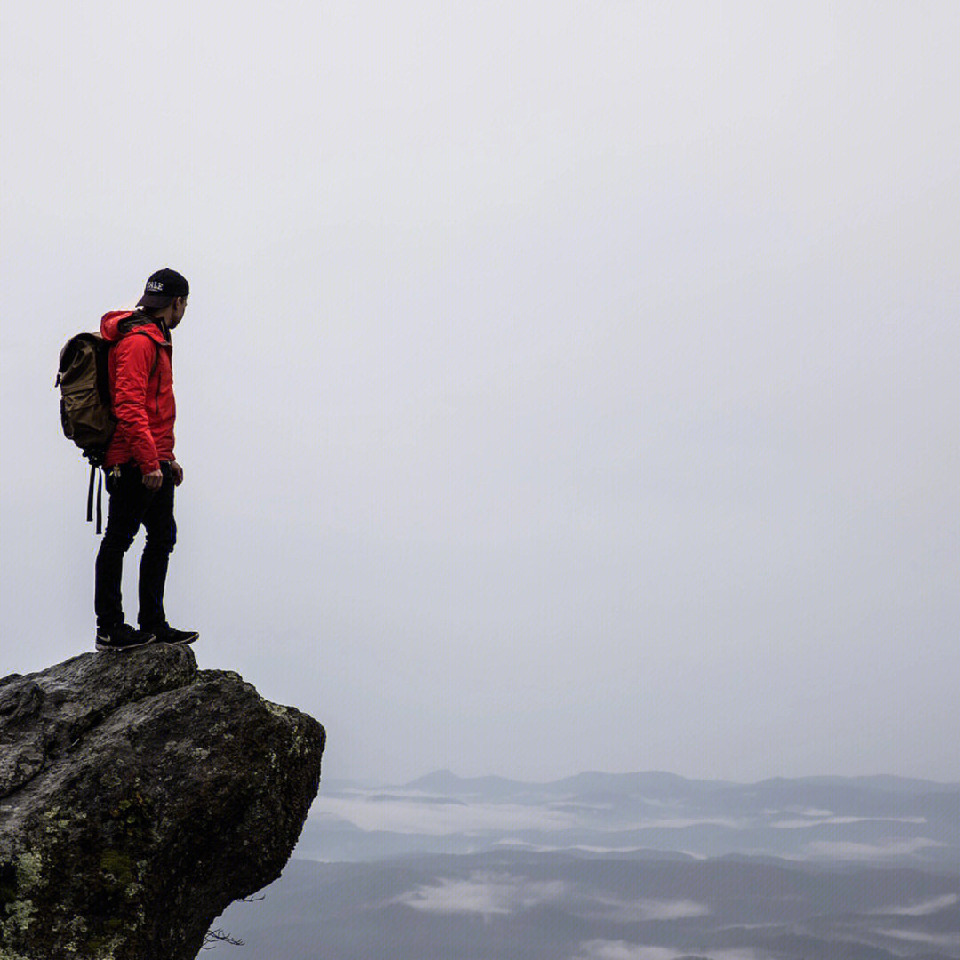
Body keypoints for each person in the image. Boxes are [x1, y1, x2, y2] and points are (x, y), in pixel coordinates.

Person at [93, 268, 199, 651]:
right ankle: (109, 628)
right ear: (177, 302)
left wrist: (167, 459)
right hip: (132, 459)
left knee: (162, 538)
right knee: (119, 539)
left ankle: (152, 623)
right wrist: (149, 461)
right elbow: (129, 405)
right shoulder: (139, 342)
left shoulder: (156, 338)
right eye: (185, 304)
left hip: (152, 457)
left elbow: (154, 409)